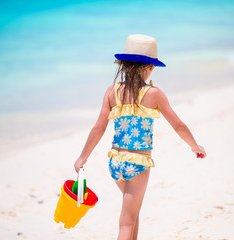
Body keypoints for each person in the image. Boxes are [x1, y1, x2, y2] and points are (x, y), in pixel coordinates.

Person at [74, 34, 206, 240]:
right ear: (151, 67)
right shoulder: (154, 94)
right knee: (126, 221)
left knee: (132, 215)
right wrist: (194, 146)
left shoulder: (112, 92)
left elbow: (98, 128)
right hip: (137, 164)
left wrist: (83, 157)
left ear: (124, 65)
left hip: (115, 163)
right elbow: (178, 126)